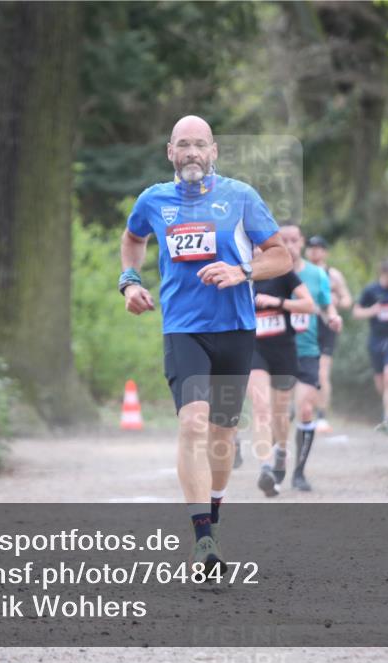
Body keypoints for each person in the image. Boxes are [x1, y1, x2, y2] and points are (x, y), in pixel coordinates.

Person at [120, 115, 292, 571]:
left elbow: (280, 254)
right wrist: (130, 281)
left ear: (213, 150)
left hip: (235, 328)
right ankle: (203, 541)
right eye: (183, 145)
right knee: (193, 424)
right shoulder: (154, 200)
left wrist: (243, 271)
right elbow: (133, 237)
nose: (192, 152)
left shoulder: (240, 197)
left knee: (221, 433)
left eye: (200, 144)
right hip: (183, 328)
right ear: (170, 152)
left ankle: (212, 519)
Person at [247, 242, 315, 498]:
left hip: (283, 350)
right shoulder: (237, 274)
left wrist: (276, 301)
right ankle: (265, 465)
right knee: (261, 407)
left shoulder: (283, 273)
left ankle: (281, 452)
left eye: (257, 247)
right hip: (254, 350)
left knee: (280, 413)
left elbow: (308, 305)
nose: (253, 251)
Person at [280, 225, 342, 491]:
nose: (290, 244)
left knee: (306, 408)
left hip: (307, 349)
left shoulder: (317, 274)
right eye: (284, 240)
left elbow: (327, 303)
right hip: (276, 349)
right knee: (278, 414)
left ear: (302, 242)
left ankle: (299, 472)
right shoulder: (269, 272)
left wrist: (333, 316)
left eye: (294, 240)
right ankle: (276, 463)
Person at [353, 259, 388, 424]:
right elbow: (356, 312)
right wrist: (372, 311)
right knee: (380, 380)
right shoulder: (371, 291)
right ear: (382, 273)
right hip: (376, 339)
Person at [304, 236, 352, 433]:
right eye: (311, 247)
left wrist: (334, 302)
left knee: (322, 372)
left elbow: (348, 299)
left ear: (325, 252)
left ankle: (322, 415)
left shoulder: (333, 275)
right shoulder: (300, 272)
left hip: (326, 326)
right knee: (300, 371)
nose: (315, 251)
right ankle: (300, 409)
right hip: (304, 326)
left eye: (319, 248)